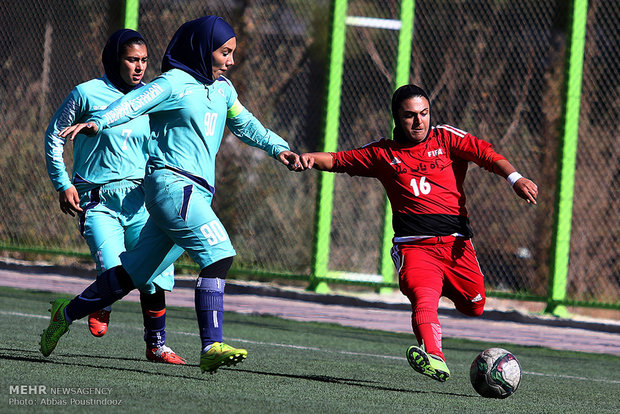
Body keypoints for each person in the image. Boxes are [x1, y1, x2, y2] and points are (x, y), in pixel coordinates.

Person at [40, 16, 301, 373]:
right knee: (219, 254)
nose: (231, 60)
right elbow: (133, 103)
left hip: (194, 194)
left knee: (129, 277)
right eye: (225, 52)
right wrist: (99, 121)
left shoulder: (223, 90)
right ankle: (211, 344)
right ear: (202, 49)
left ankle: (65, 313)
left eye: (232, 53)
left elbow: (244, 123)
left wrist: (278, 148)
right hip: (172, 186)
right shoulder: (173, 82)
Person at [299, 84, 538, 382]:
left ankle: (441, 284)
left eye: (424, 113)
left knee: (475, 305)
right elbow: (339, 160)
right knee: (423, 297)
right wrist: (308, 159)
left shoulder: (447, 138)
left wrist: (514, 178)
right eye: (410, 115)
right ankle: (435, 357)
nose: (418, 121)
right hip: (415, 248)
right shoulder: (383, 153)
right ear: (397, 118)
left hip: (455, 245)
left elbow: (486, 154)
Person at [43, 29, 185, 364]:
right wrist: (63, 183)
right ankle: (98, 302)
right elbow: (54, 137)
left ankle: (156, 345)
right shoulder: (86, 94)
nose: (139, 67)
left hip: (141, 200)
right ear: (114, 58)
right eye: (132, 59)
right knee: (112, 266)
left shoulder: (152, 98)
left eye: (144, 61)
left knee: (155, 274)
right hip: (97, 200)